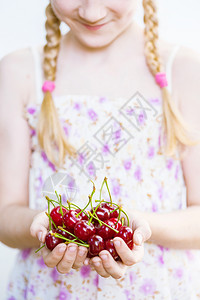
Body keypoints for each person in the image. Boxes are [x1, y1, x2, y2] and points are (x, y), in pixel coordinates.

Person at [0, 0, 200, 299]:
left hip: (159, 288)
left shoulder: (184, 69)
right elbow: (5, 216)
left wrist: (139, 226)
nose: (92, 13)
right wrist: (46, 226)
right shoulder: (20, 71)